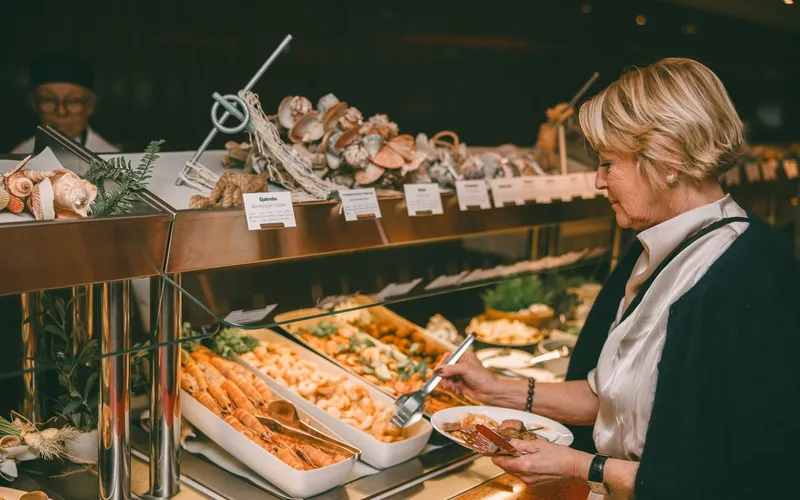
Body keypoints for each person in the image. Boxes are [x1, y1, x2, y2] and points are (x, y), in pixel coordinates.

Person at [437, 57, 800, 499]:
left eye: (609, 163)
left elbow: (730, 478)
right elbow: (612, 400)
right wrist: (497, 389)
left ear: (668, 158)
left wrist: (577, 465)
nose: (597, 181)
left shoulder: (752, 279)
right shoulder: (662, 249)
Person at [12, 52, 118, 155]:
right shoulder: (16, 159)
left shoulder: (112, 161)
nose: (61, 112)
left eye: (73, 101)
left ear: (90, 105)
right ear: (34, 103)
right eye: (49, 100)